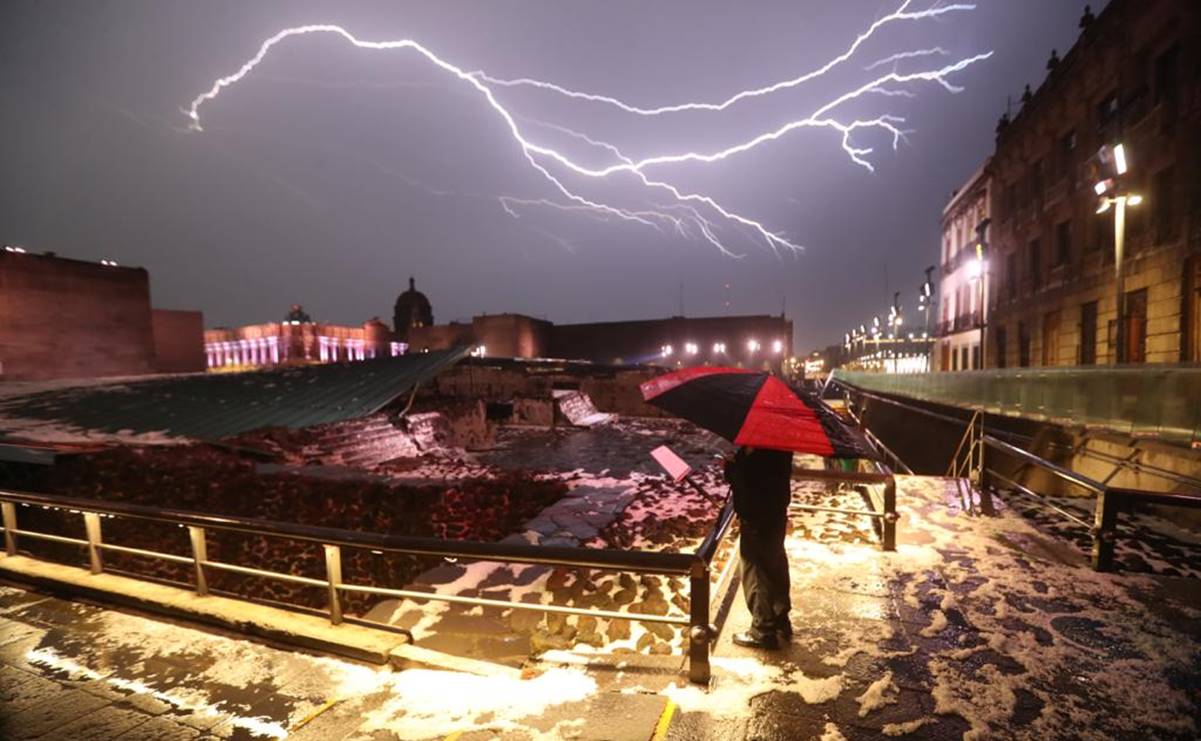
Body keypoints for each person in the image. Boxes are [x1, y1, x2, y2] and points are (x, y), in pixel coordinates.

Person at [724, 445, 793, 649]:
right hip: (776, 512)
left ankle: (762, 630)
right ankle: (781, 619)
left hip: (756, 515)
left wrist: (731, 468)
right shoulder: (781, 444)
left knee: (756, 571)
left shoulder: (760, 448)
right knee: (775, 564)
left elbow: (749, 480)